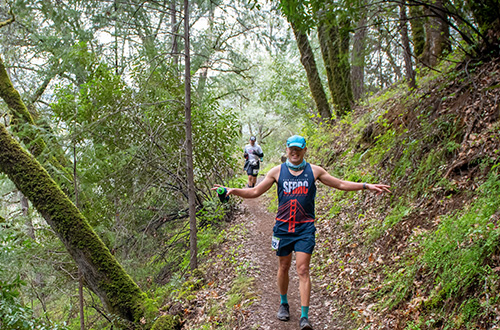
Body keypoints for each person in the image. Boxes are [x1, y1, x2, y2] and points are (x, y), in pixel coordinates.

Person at [214, 135, 390, 330]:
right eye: (291, 149)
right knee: (283, 266)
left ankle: (305, 317)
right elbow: (255, 192)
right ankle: (283, 303)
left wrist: (365, 186)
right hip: (282, 227)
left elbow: (339, 184)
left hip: (305, 228)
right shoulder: (277, 172)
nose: (294, 152)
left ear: (305, 150)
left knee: (303, 269)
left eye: (298, 149)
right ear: (287, 150)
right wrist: (233, 190)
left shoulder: (314, 171)